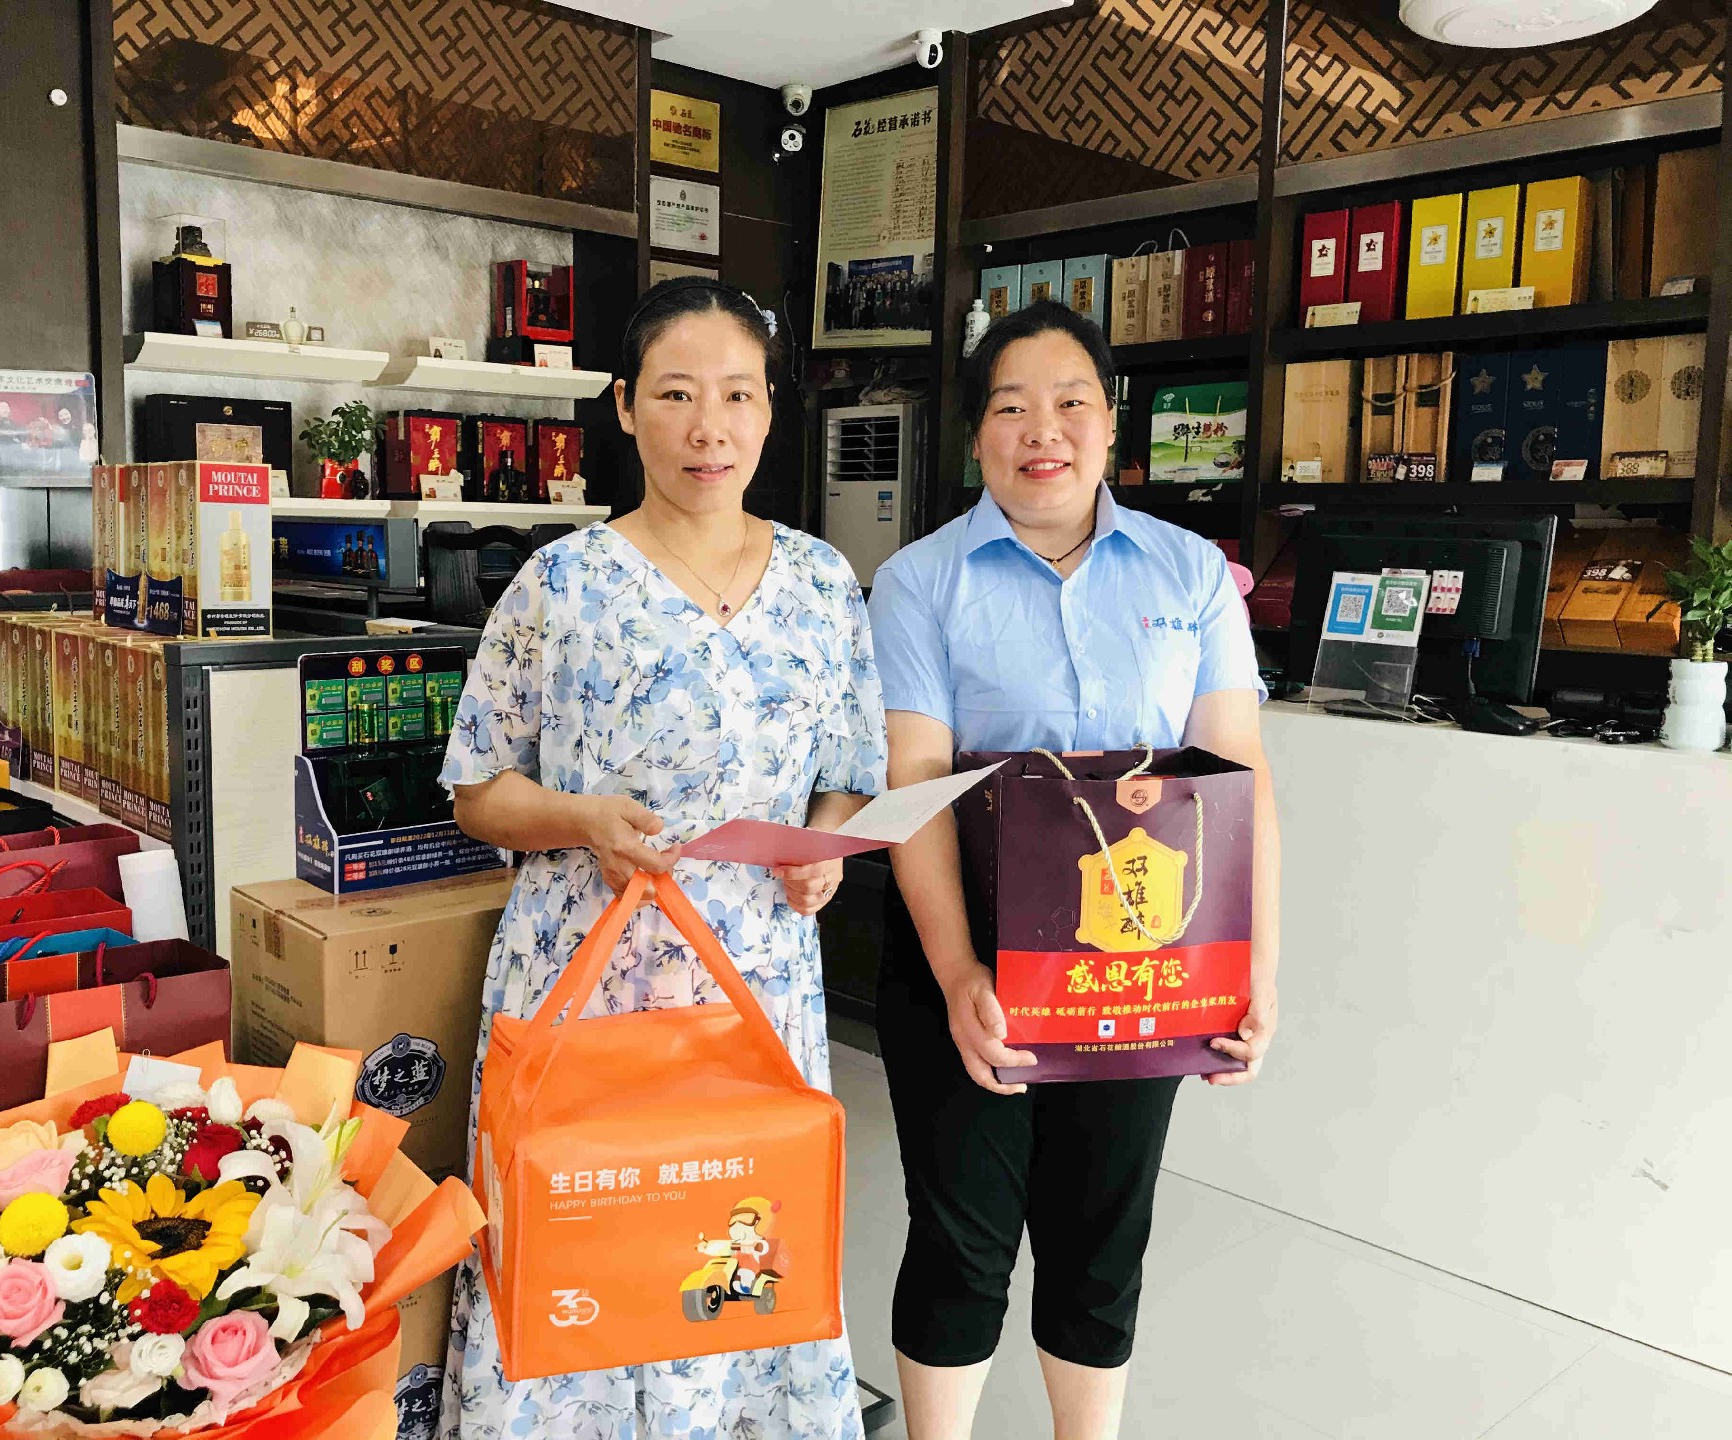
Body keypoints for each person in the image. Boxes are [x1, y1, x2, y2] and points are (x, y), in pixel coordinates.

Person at [439, 275, 885, 1439]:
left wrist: (828, 849)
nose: (709, 427)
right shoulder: (561, 586)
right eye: (678, 394)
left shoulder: (822, 584)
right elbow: (479, 792)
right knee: (584, 1243)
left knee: (732, 1235)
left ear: (771, 410)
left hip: (755, 978)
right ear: (627, 406)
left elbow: (849, 769)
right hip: (591, 976)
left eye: (738, 394)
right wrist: (583, 818)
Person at [866, 299, 1280, 1440]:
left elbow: (1239, 776)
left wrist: (1253, 973)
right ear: (975, 435)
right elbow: (914, 782)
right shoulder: (918, 582)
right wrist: (958, 973)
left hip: (1141, 951)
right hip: (966, 944)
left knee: (1103, 1234)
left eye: (1071, 403)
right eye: (1010, 407)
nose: (1041, 431)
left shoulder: (1191, 575)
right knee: (961, 1238)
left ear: (1111, 422)